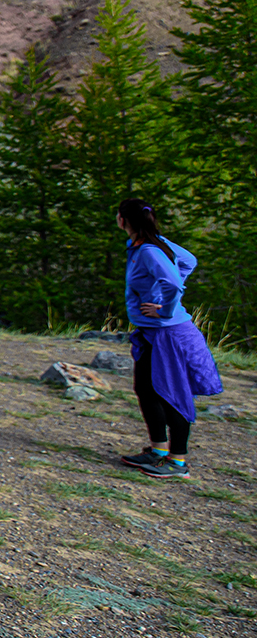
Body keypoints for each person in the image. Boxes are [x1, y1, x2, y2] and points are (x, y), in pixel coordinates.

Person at [116, 199, 222, 479]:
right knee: (146, 389)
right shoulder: (146, 245)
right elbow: (189, 261)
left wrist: (165, 306)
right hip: (153, 333)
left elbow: (174, 282)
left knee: (171, 393)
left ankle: (178, 462)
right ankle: (159, 450)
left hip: (170, 334)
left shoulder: (150, 250)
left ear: (122, 220)